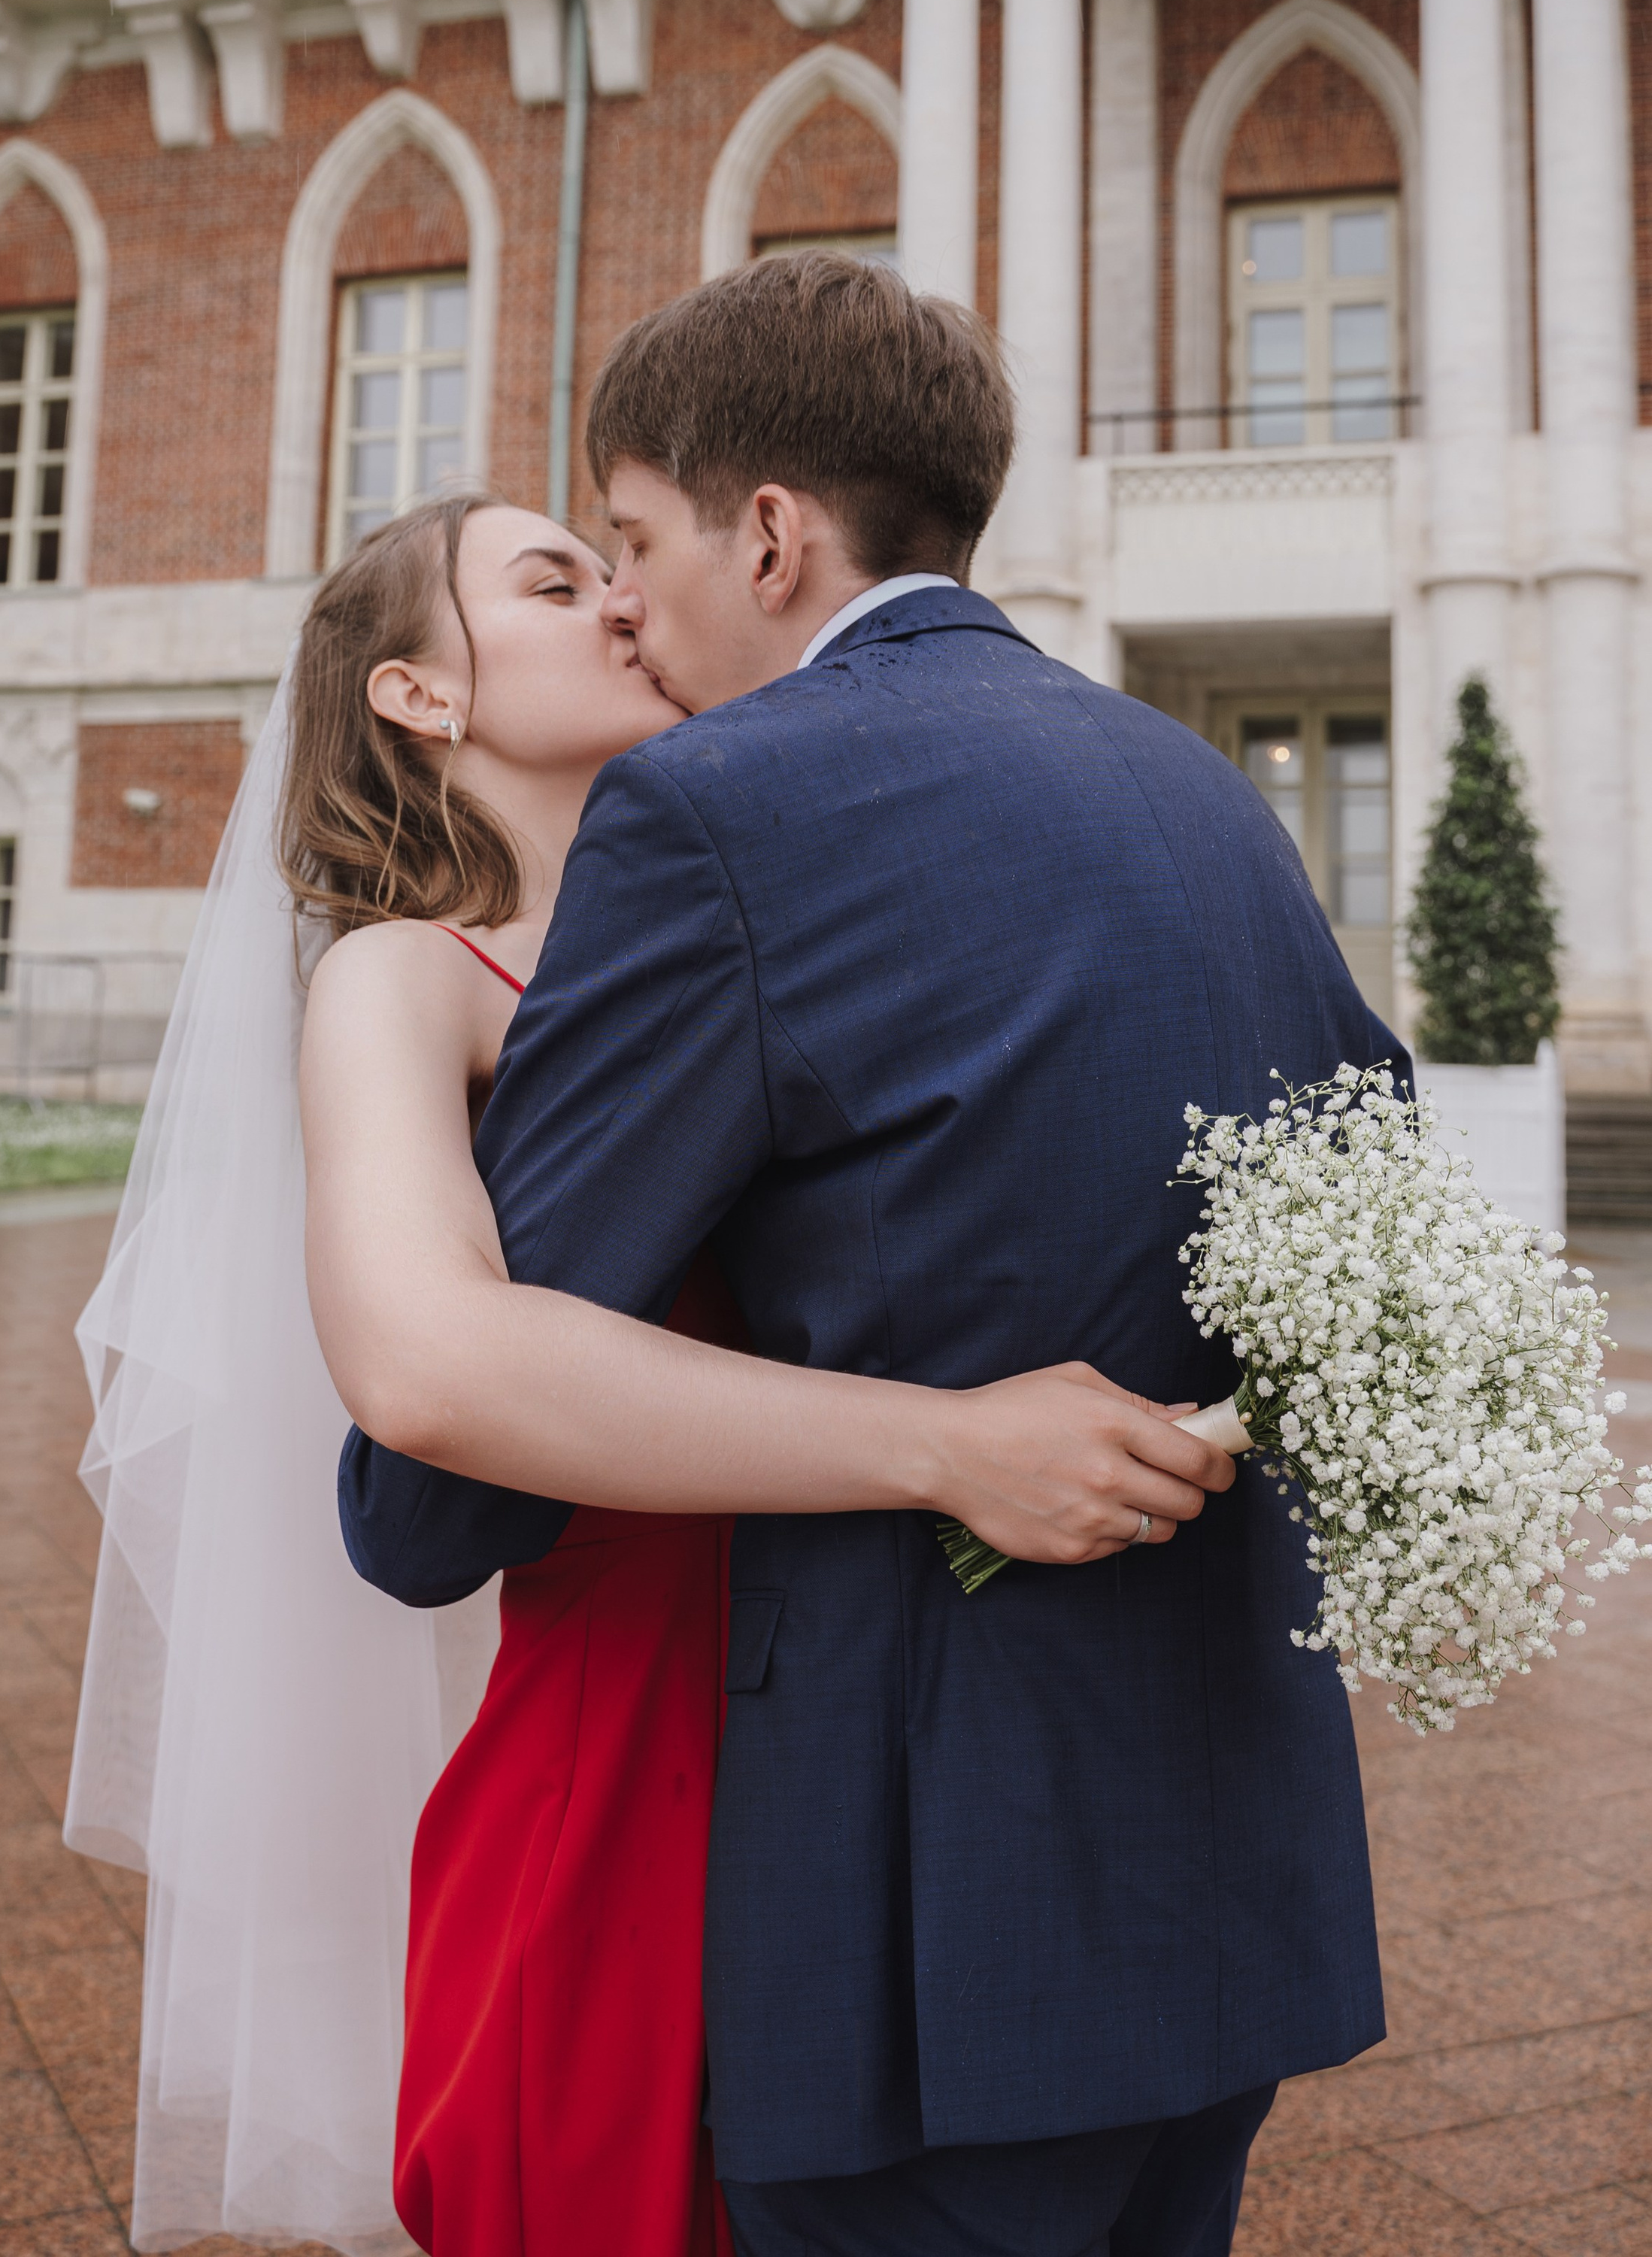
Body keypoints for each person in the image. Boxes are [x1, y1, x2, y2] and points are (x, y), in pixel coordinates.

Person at [326, 251, 1404, 2257]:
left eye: (631, 539)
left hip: (924, 1934)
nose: (627, 598)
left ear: (769, 532)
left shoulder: (724, 814)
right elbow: (1367, 1225)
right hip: (1222, 1889)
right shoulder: (1206, 795)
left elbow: (430, 1498)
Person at [68, 458, 1231, 2255]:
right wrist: (943, 1445)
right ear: (417, 692)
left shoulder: (755, 914)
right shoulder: (405, 978)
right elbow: (427, 1372)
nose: (621, 599)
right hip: (623, 1752)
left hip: (876, 1722)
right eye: (552, 582)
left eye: (611, 566)